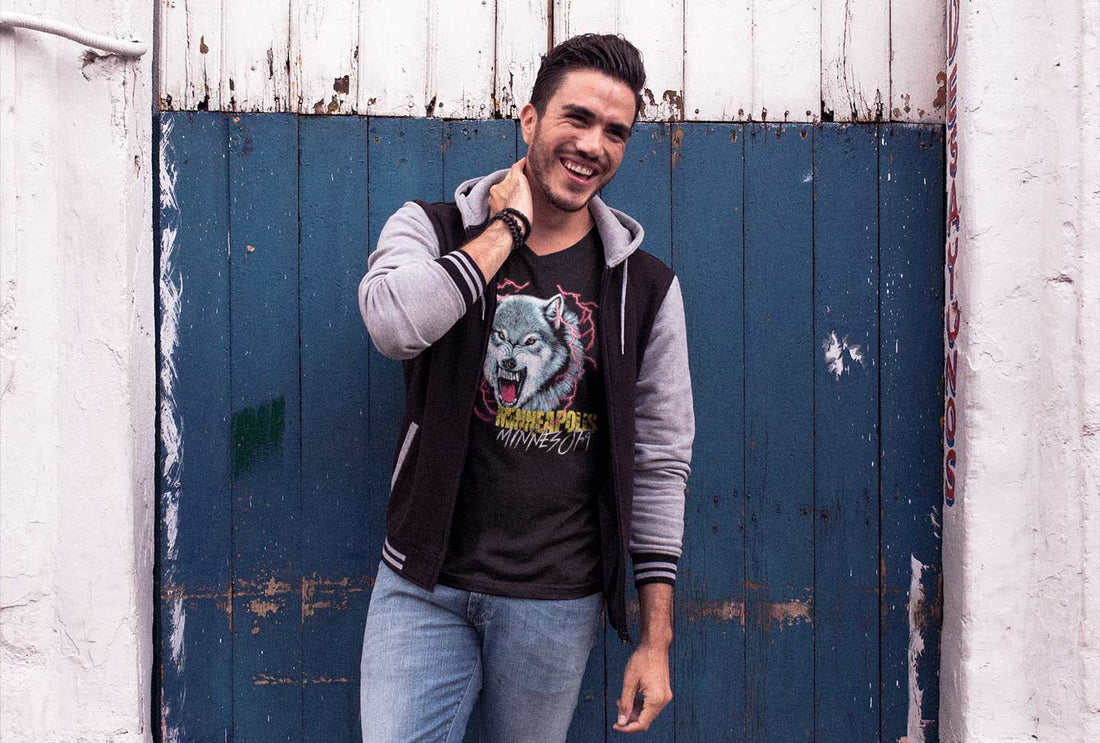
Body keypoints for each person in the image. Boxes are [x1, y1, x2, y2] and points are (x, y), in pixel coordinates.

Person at [357, 33, 694, 743]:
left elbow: (661, 462)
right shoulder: (433, 227)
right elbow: (392, 324)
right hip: (424, 585)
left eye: (615, 132)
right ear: (530, 119)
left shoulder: (645, 287)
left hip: (556, 600)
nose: (593, 144)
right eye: (576, 118)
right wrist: (506, 227)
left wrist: (655, 637)